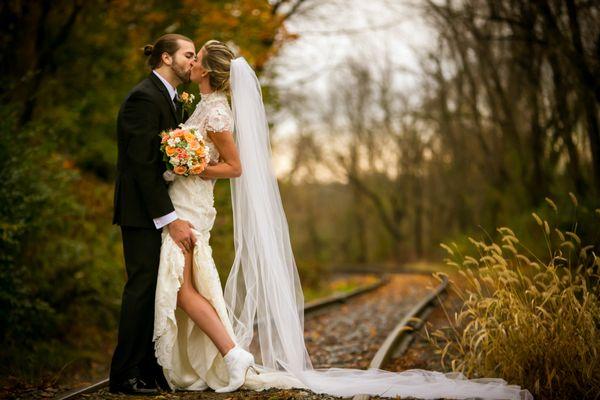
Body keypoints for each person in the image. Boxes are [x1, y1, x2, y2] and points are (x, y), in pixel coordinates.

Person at [152, 39, 533, 399]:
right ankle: (227, 356)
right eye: (191, 55)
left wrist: (199, 167)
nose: (193, 61)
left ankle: (233, 354)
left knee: (185, 290)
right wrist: (183, 163)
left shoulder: (217, 111)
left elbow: (235, 167)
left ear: (207, 71)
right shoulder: (201, 106)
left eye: (197, 57)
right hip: (187, 201)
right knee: (189, 286)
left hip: (190, 207)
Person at [110, 33, 198, 395]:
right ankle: (124, 375)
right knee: (142, 288)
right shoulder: (143, 98)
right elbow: (141, 166)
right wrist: (170, 219)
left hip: (155, 209)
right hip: (141, 212)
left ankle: (148, 371)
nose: (193, 62)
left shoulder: (172, 98)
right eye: (188, 55)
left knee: (157, 288)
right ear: (166, 58)